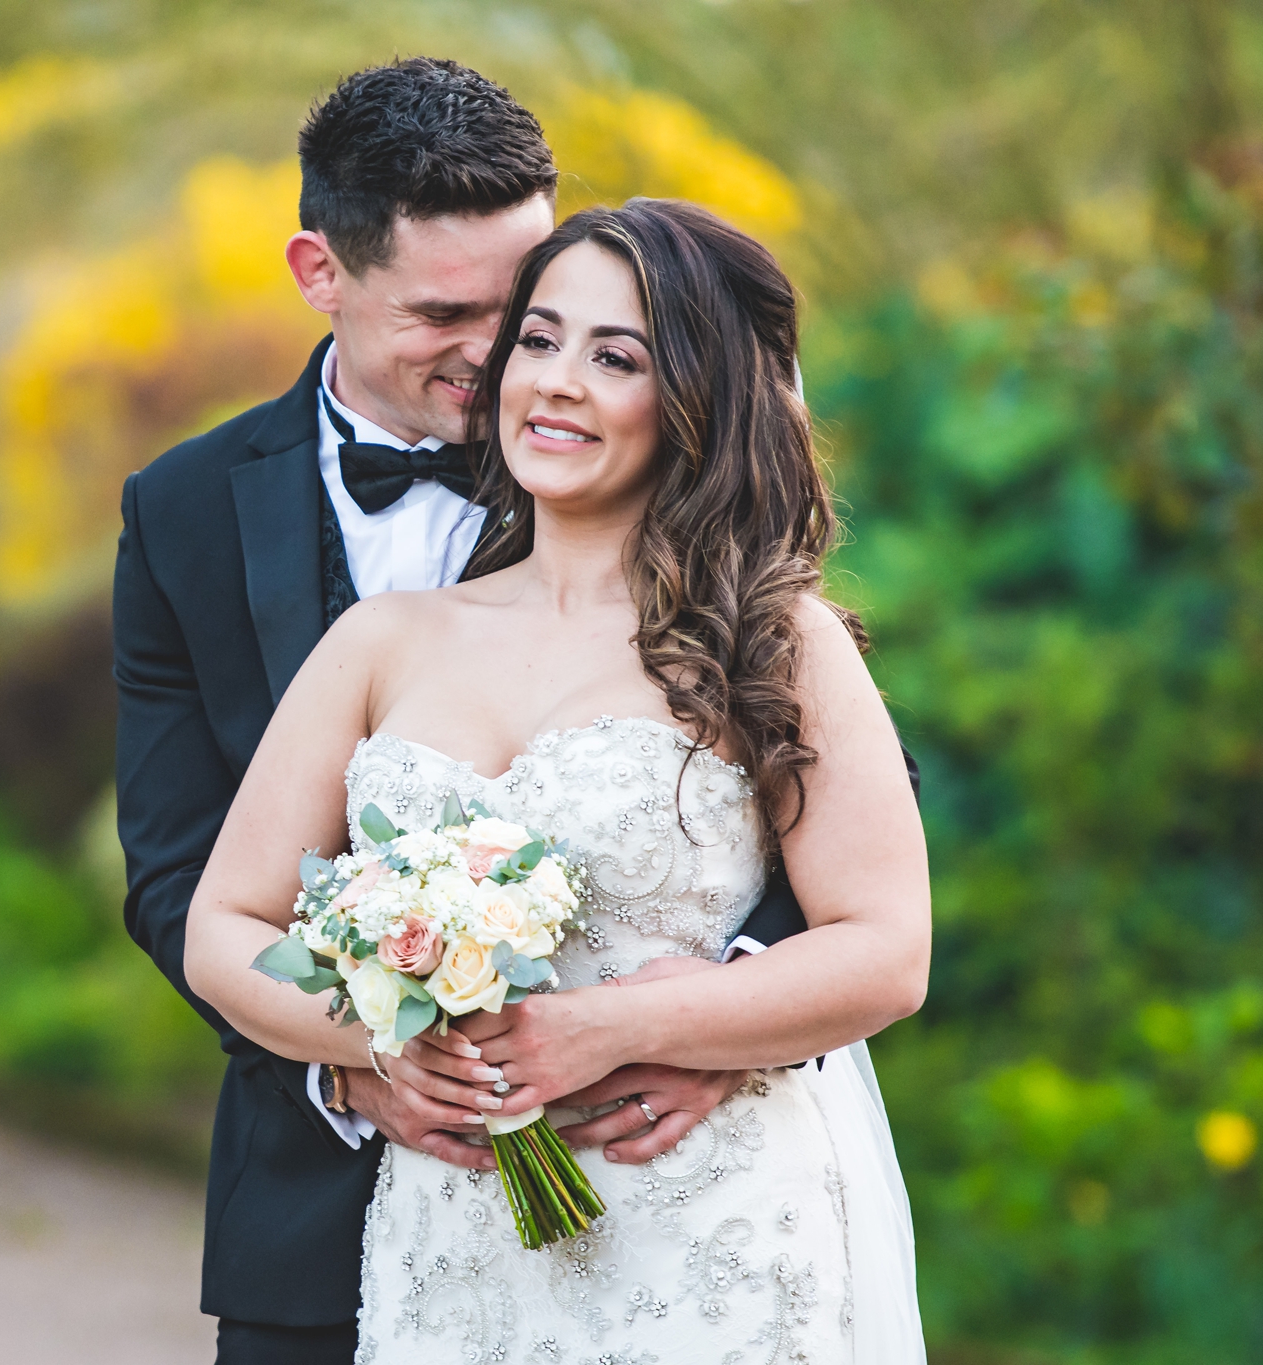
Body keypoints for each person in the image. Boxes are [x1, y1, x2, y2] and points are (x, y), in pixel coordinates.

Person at [114, 60, 848, 1364]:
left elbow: (828, 812)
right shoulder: (182, 515)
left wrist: (723, 1019)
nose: (510, 355)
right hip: (314, 1193)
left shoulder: (671, 506)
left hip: (669, 1165)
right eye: (448, 312)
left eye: (528, 305)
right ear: (320, 271)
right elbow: (184, 877)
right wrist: (351, 1058)